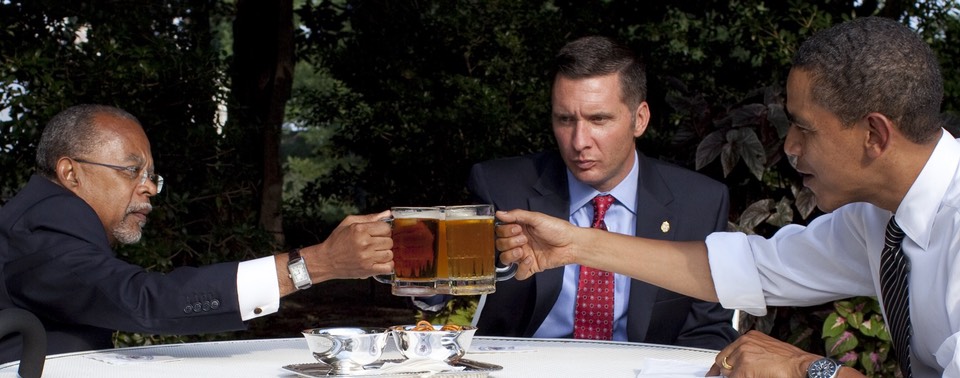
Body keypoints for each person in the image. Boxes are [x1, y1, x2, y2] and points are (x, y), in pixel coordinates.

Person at [494, 16, 957, 377]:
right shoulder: (875, 219)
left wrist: (809, 369)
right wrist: (575, 245)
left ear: (874, 134)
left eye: (804, 128)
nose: (790, 147)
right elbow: (747, 269)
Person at [0, 104, 394, 363]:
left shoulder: (46, 218)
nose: (149, 187)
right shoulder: (43, 221)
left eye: (152, 175)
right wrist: (315, 264)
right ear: (71, 173)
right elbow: (145, 301)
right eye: (131, 170)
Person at [451, 35, 736, 349]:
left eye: (598, 119)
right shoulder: (502, 188)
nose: (579, 141)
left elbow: (708, 333)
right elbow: (451, 278)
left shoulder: (699, 202)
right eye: (565, 120)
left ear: (639, 119)